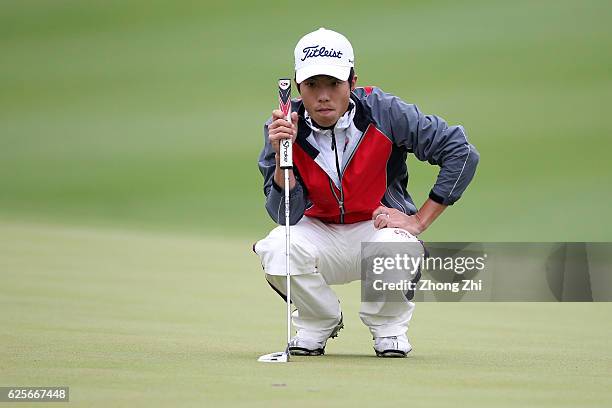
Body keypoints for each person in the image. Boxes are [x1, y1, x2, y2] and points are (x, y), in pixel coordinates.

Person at [254, 27, 479, 357]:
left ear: (353, 83)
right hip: (318, 233)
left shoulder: (385, 112)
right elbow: (283, 214)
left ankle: (388, 328)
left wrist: (420, 220)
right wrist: (281, 157)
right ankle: (318, 321)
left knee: (396, 246)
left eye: (333, 83)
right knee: (277, 247)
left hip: (376, 228)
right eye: (312, 85)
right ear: (298, 87)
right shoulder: (284, 128)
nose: (323, 95)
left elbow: (461, 152)